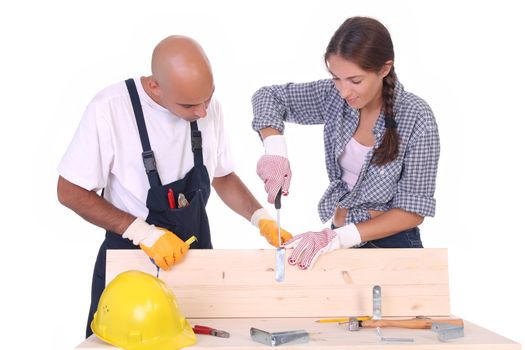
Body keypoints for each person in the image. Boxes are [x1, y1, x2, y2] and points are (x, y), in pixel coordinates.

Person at [57, 35, 292, 338]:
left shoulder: (207, 107)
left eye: (208, 98)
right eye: (189, 104)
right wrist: (144, 234)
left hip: (195, 263)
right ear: (155, 86)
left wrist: (261, 219)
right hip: (132, 267)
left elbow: (221, 176)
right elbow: (69, 190)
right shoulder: (110, 109)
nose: (203, 112)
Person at [252, 17, 440, 270]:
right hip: (338, 241)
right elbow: (269, 96)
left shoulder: (416, 116)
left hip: (392, 246)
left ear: (384, 69)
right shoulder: (334, 98)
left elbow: (413, 210)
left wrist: (339, 238)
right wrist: (275, 149)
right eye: (336, 78)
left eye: (355, 80)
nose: (343, 91)